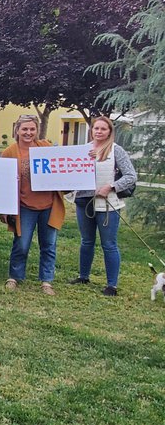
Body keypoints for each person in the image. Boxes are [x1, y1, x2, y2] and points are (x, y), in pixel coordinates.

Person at [69, 116, 137, 296]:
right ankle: (83, 276)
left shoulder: (116, 150)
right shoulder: (83, 150)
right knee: (86, 241)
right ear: (91, 130)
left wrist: (111, 187)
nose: (99, 132)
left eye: (103, 129)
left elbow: (131, 176)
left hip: (107, 204)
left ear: (109, 131)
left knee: (109, 244)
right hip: (84, 201)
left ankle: (111, 285)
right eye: (96, 128)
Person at [0, 115, 65, 295]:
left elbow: (65, 162)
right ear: (17, 130)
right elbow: (3, 183)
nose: (28, 133)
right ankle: (14, 276)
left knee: (49, 244)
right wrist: (5, 208)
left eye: (32, 129)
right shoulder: (9, 152)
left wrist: (88, 155)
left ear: (36, 130)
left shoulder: (46, 148)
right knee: (21, 243)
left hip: (49, 205)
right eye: (24, 129)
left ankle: (46, 280)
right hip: (24, 206)